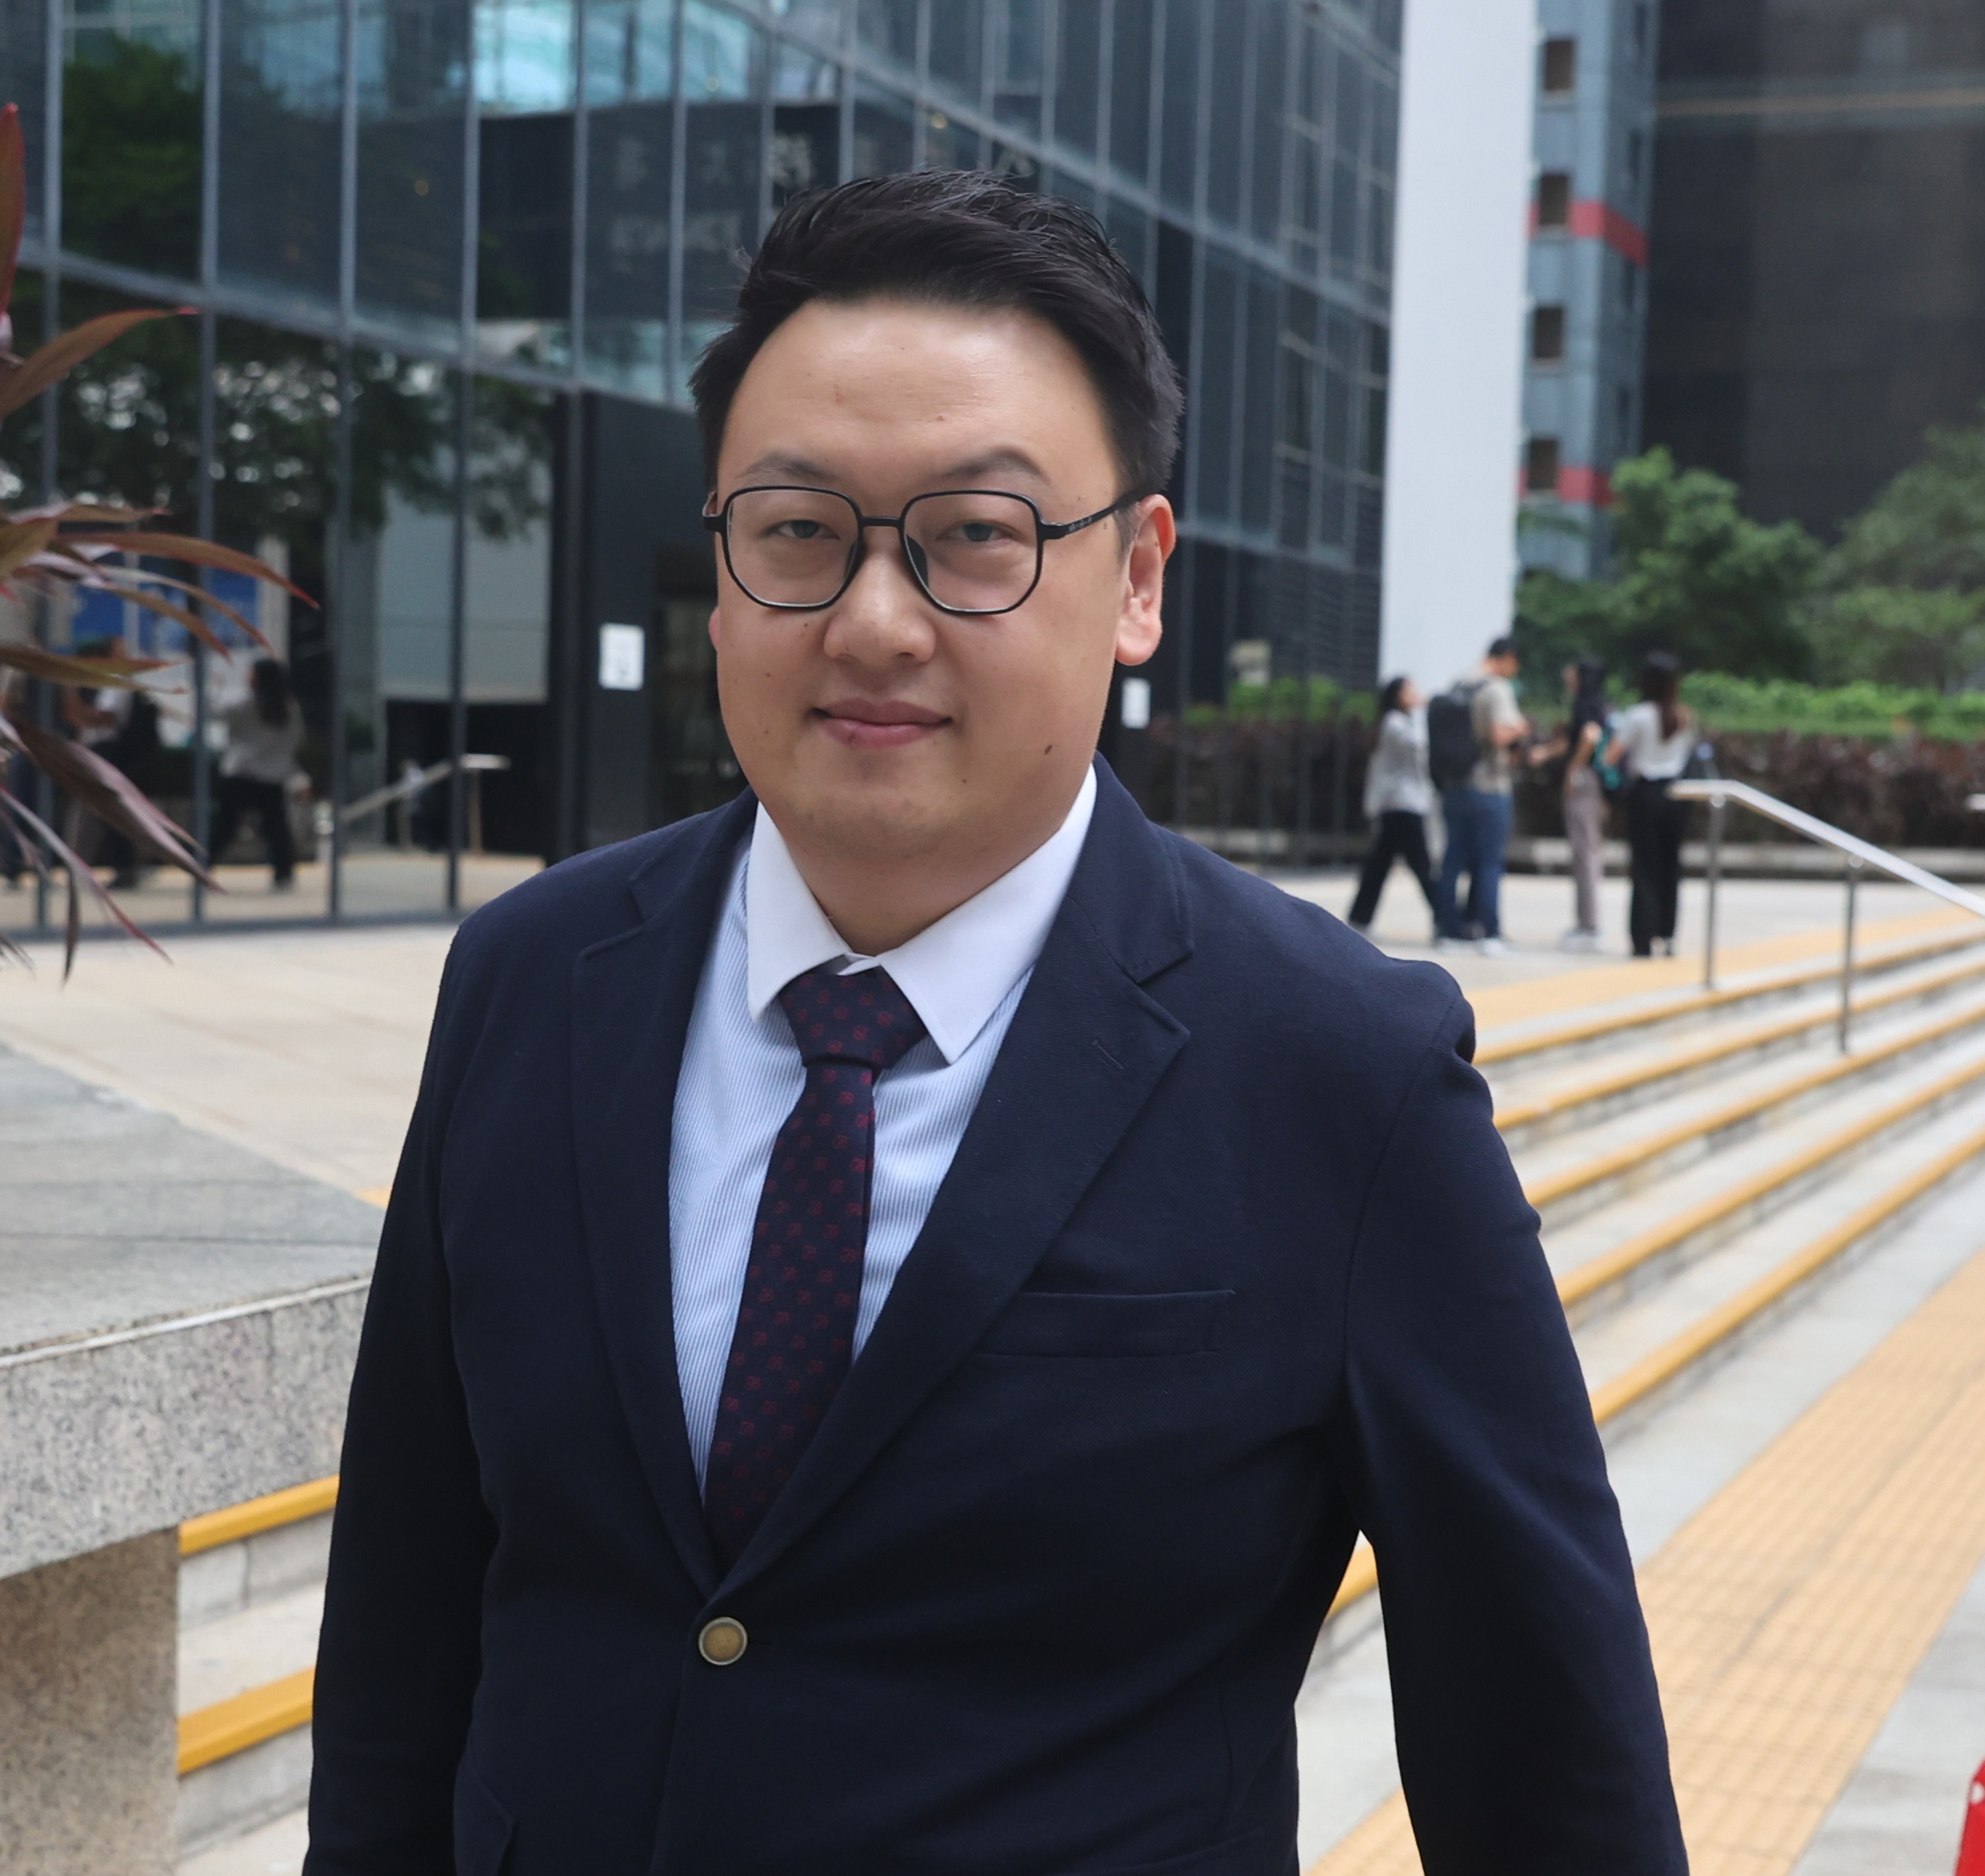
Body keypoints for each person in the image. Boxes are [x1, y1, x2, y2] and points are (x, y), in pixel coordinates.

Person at [307, 172, 1679, 1876]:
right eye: (796, 530)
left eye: (975, 534)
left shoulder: (1339, 1069)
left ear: (1136, 578)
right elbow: (404, 1614)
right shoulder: (531, 975)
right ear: (720, 568)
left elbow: (1546, 1755)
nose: (873, 621)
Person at [1429, 635, 1529, 955]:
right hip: (1490, 787)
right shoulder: (1496, 688)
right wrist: (1521, 728)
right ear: (1507, 658)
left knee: (1453, 860)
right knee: (1488, 862)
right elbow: (1499, 734)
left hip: (1456, 785)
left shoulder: (1460, 685)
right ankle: (1488, 931)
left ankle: (1447, 928)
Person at [1609, 650, 1701, 958]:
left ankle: (1642, 938)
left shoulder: (1638, 715)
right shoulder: (1683, 715)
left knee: (1644, 868)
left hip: (1646, 794)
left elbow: (1613, 754)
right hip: (1676, 796)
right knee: (1670, 866)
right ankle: (1668, 933)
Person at [1347, 674, 1438, 933]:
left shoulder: (1398, 722)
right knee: (1421, 864)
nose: (1415, 696)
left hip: (1400, 804)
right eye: (1409, 691)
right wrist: (1422, 712)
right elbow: (1419, 745)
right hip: (1401, 805)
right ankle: (1445, 919)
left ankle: (1360, 918)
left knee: (1379, 865)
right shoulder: (1395, 723)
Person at [210, 656, 303, 889]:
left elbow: (215, 713)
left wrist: (215, 688)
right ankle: (284, 873)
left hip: (242, 772)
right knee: (276, 827)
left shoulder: (247, 704)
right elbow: (295, 740)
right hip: (272, 775)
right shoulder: (289, 708)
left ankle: (203, 864)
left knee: (225, 825)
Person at [66, 686, 165, 887]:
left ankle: (121, 866)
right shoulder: (105, 688)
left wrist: (73, 701)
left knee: (108, 814)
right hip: (104, 752)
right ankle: (80, 865)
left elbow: (105, 717)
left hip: (107, 752)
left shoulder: (115, 687)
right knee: (97, 814)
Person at [1551, 656, 1613, 952]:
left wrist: (1572, 770)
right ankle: (1586, 921)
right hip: (1592, 781)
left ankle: (1589, 924)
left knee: (1585, 851)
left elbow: (1589, 737)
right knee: (1586, 850)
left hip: (1585, 781)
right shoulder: (1597, 703)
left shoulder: (1585, 704)